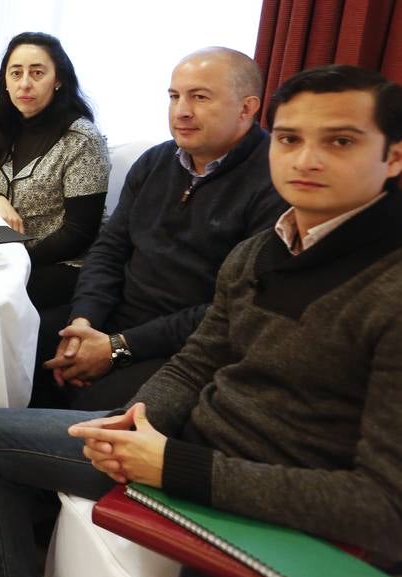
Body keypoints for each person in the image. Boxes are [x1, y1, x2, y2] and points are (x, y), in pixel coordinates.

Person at [0, 65, 402, 577]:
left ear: (392, 156)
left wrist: (176, 466)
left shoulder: (385, 285)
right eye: (290, 139)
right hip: (183, 448)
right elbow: (197, 360)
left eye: (340, 141)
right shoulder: (262, 250)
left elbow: (383, 509)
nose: (306, 159)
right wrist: (141, 423)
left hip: (278, 511)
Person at [36, 48, 286, 411]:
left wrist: (118, 347)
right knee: (10, 349)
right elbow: (109, 249)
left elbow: (230, 308)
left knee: (85, 411)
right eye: (174, 96)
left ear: (247, 108)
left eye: (200, 97)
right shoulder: (156, 161)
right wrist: (83, 322)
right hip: (112, 318)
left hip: (184, 346)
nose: (182, 110)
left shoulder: (274, 183)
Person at [0, 32, 110, 310]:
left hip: (61, 264)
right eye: (16, 73)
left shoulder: (82, 140)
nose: (24, 83)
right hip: (2, 252)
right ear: (5, 81)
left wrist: (14, 257)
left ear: (58, 80)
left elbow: (78, 233)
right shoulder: (6, 124)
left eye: (37, 73)